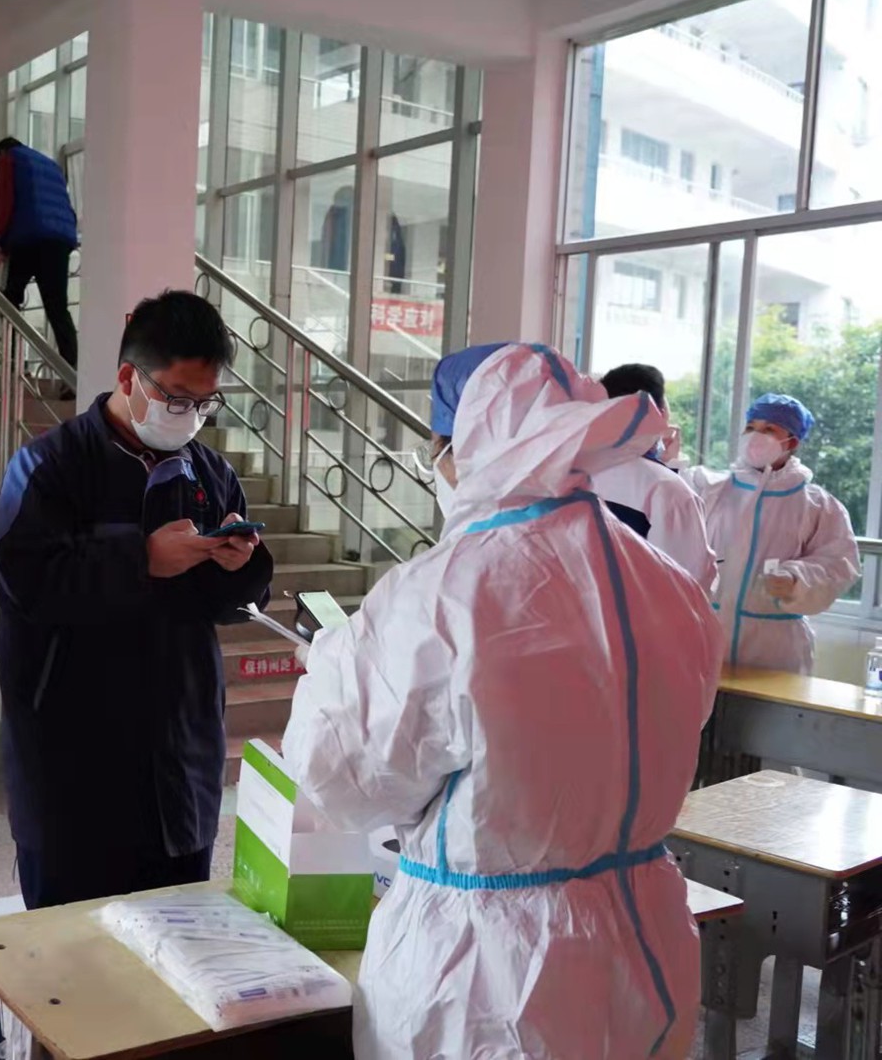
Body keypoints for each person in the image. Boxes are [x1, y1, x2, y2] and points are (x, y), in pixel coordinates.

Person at [283, 342, 723, 1060]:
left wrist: (332, 667)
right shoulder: (668, 581)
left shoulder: (440, 592)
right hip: (645, 947)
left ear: (459, 446)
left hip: (488, 977)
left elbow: (345, 784)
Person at [0, 289, 273, 1060]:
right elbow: (26, 582)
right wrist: (141, 557)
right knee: (70, 966)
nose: (189, 415)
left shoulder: (208, 471)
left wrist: (240, 566)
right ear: (127, 377)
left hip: (179, 754)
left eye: (204, 402)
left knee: (172, 962)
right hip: (73, 761)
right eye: (176, 397)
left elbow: (227, 603)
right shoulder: (49, 467)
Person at [680, 393, 860, 672]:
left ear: (792, 442)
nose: (755, 436)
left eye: (769, 430)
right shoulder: (712, 488)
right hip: (707, 635)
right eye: (750, 427)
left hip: (774, 648)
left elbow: (839, 563)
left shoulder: (817, 505)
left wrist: (797, 578)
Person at [587, 363, 717, 593]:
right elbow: (690, 581)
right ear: (661, 414)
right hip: (639, 612)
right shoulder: (666, 489)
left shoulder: (572, 473)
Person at [0, 137, 80, 378]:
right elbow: (66, 208)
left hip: (29, 238)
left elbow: (5, 202)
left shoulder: (9, 159)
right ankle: (72, 375)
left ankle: (13, 366)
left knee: (10, 301)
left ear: (2, 152)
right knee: (58, 309)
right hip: (60, 240)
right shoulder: (51, 166)